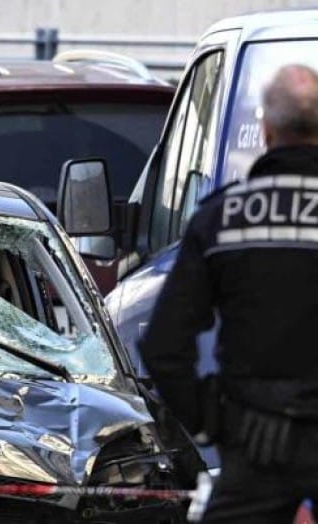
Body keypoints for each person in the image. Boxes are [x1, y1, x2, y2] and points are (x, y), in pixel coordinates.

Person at [139, 63, 318, 523]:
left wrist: (213, 423)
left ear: (266, 130)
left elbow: (163, 346)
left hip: (256, 448)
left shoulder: (224, 219)